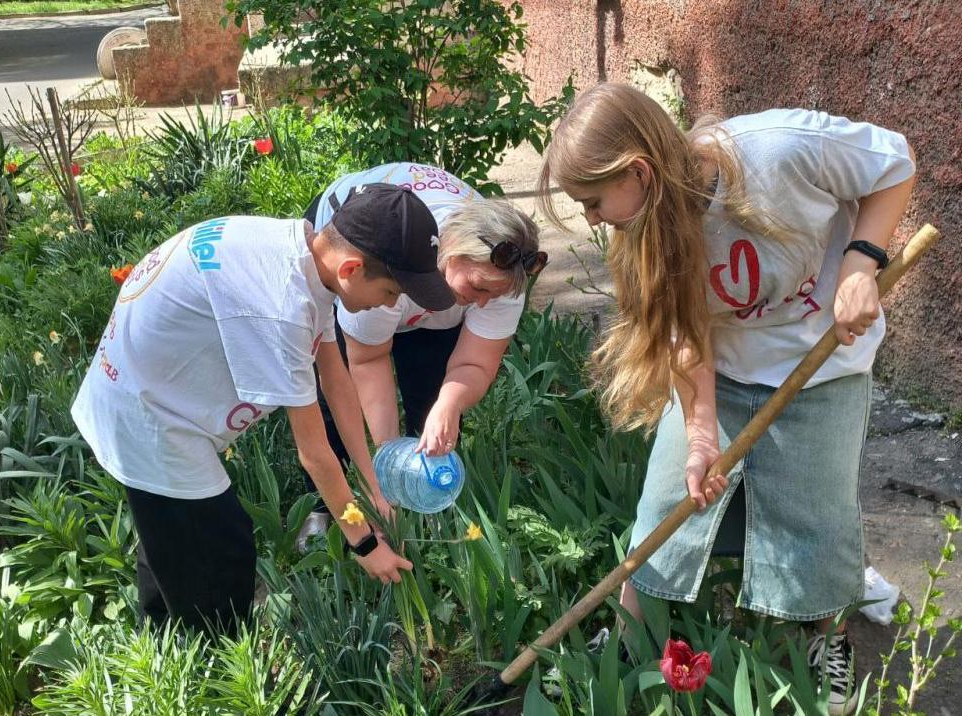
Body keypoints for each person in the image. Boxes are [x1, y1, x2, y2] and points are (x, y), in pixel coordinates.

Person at [538, 83, 916, 715]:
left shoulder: (781, 151)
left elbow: (894, 163)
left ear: (639, 171)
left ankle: (827, 640)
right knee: (665, 503)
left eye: (594, 202)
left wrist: (860, 262)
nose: (593, 220)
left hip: (823, 359)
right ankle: (629, 642)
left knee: (815, 513)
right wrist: (704, 433)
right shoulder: (643, 234)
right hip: (728, 363)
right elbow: (685, 334)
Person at [71, 184, 456, 634]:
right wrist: (365, 543)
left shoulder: (305, 257)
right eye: (391, 291)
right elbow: (313, 454)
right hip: (149, 416)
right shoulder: (281, 306)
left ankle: (163, 640)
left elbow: (336, 382)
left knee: (173, 535)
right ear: (352, 268)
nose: (390, 305)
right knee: (218, 551)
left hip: (157, 391)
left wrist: (374, 486)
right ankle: (221, 667)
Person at [296, 163, 547, 548]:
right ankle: (326, 503)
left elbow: (475, 363)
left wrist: (450, 403)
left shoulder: (504, 277)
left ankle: (419, 496)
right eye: (478, 287)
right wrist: (386, 460)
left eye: (492, 297)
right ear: (455, 251)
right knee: (336, 396)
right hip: (358, 252)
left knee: (431, 393)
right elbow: (368, 361)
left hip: (423, 279)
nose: (481, 303)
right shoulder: (386, 261)